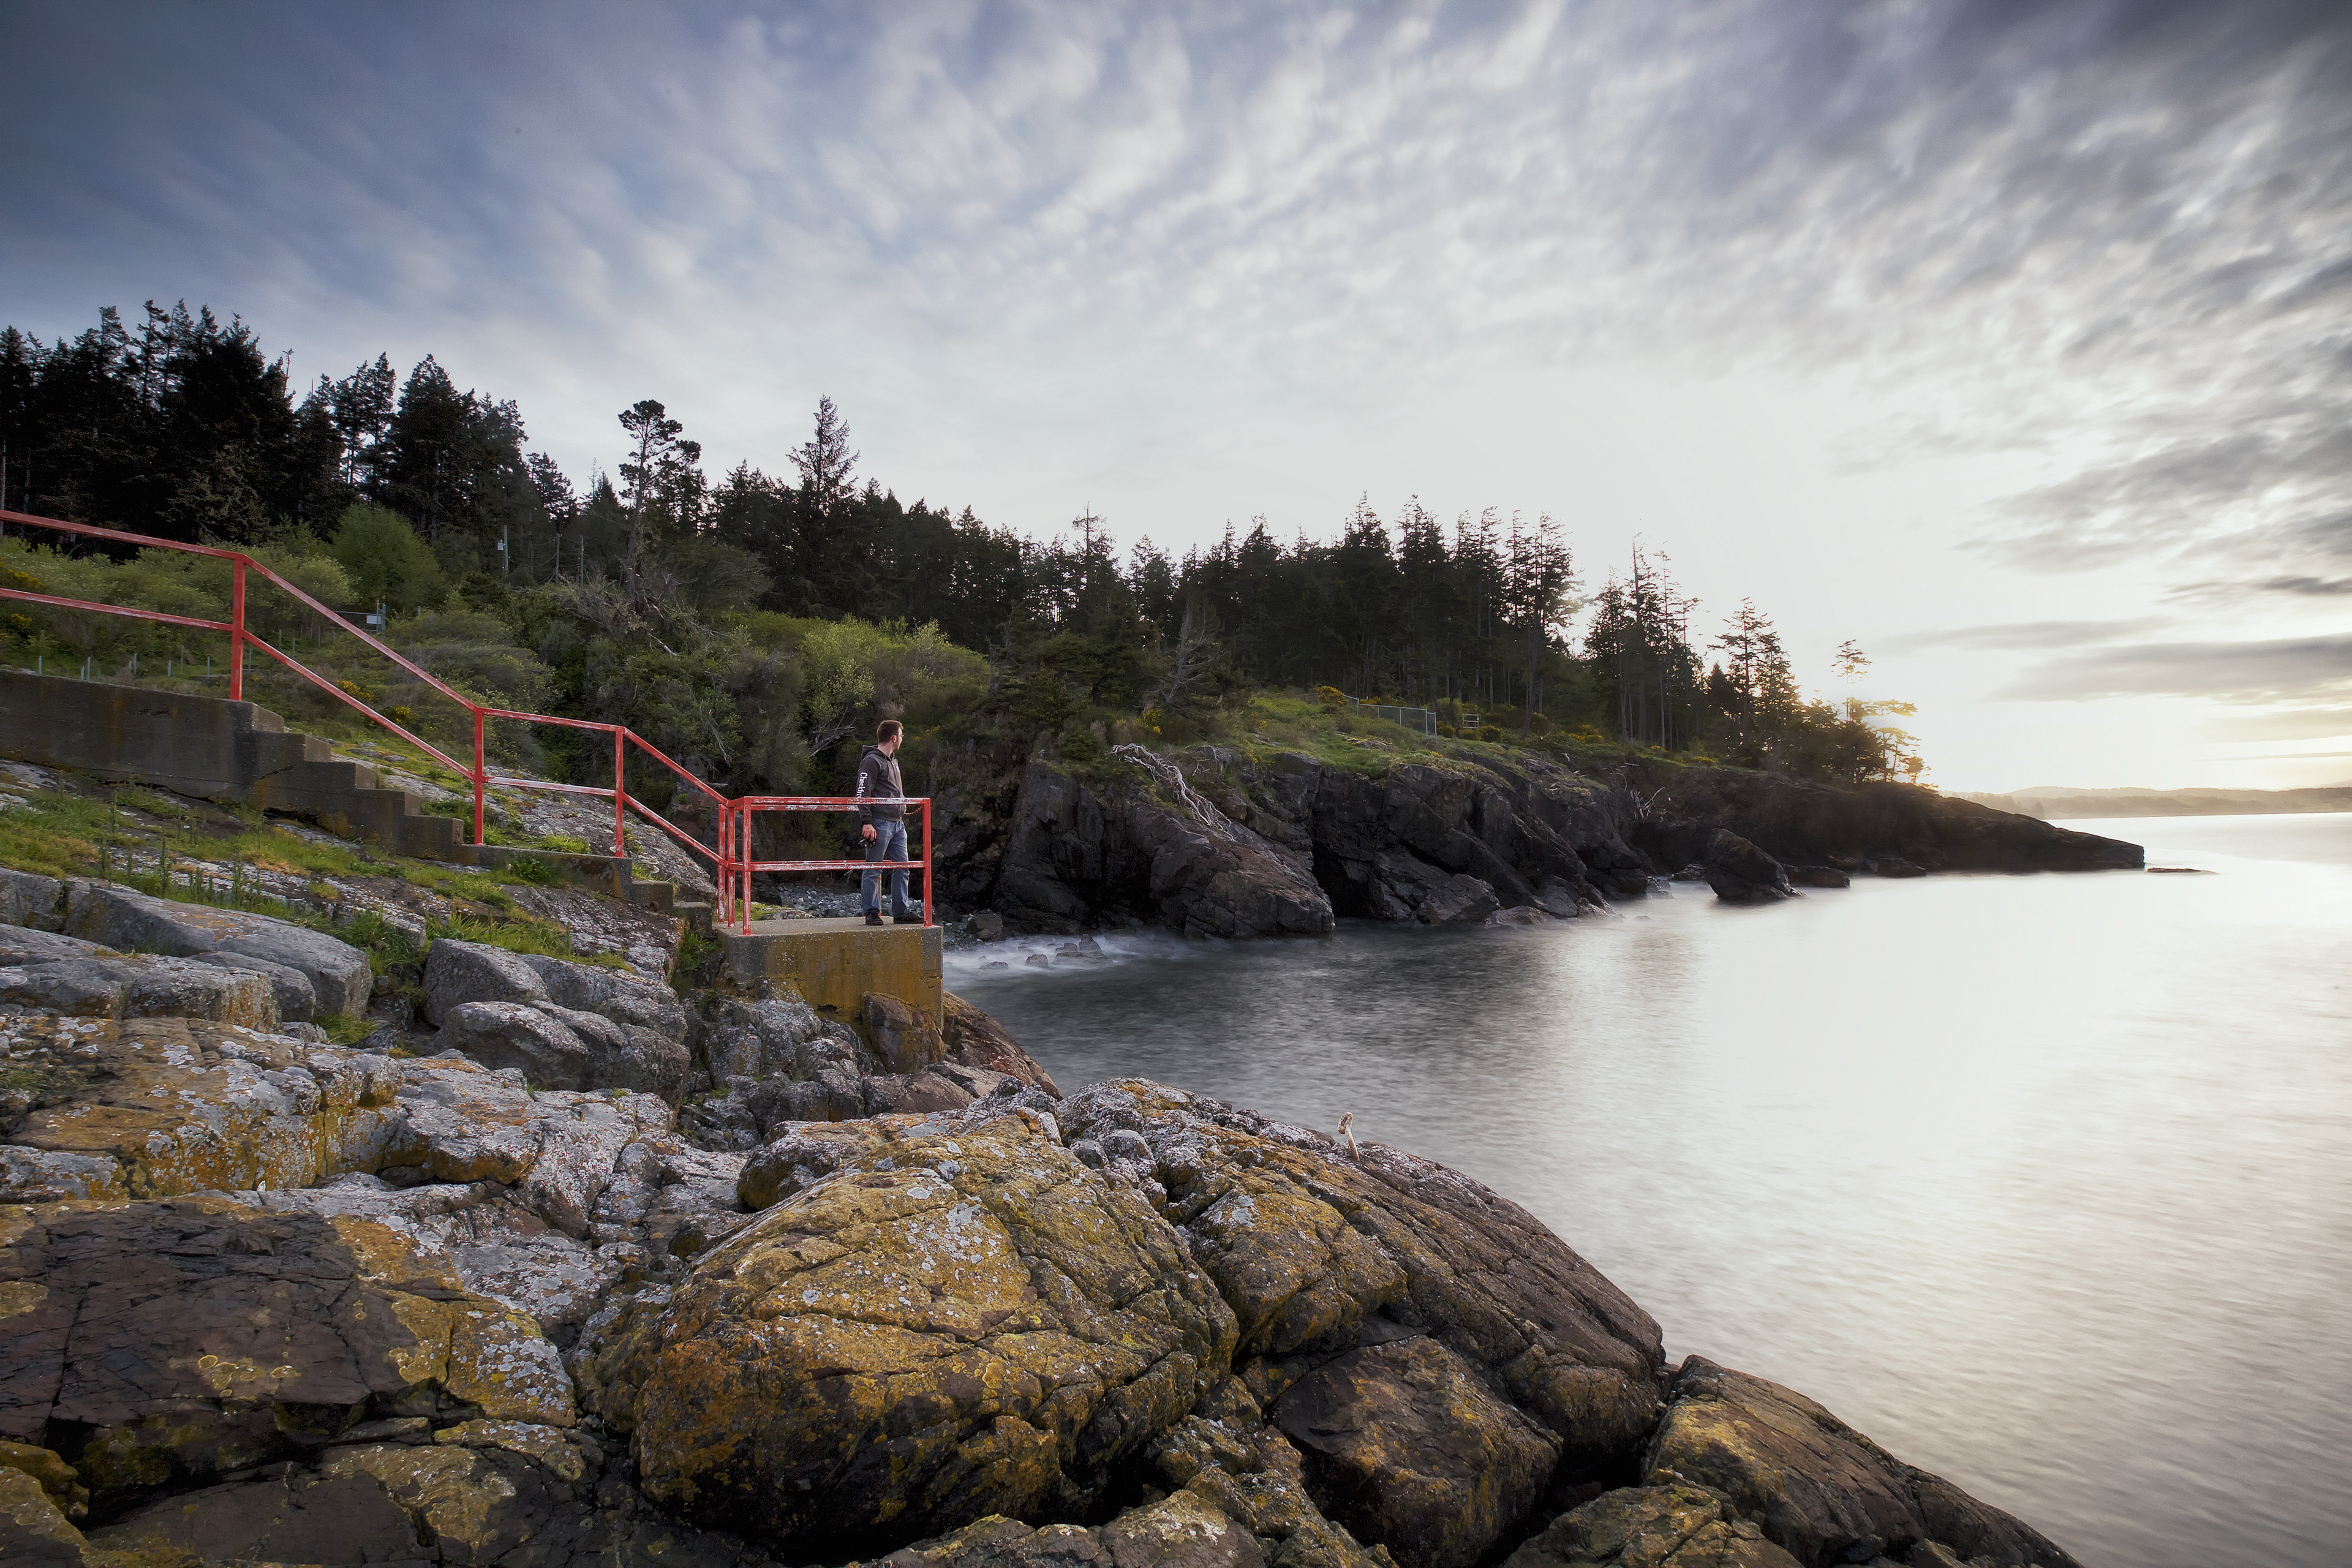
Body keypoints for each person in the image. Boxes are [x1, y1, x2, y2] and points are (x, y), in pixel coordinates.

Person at [855, 719, 919, 925]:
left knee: (903, 866)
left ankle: (901, 911)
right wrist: (866, 822)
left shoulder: (893, 761)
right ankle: (872, 912)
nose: (902, 738)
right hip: (880, 822)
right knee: (874, 867)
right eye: (901, 735)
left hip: (898, 823)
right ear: (893, 738)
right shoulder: (872, 761)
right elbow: (862, 792)